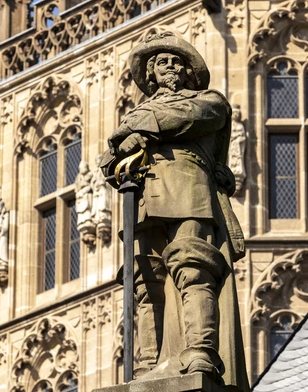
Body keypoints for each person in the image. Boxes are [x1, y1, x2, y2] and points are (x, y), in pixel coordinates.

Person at [101, 33, 249, 391]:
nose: (168, 68)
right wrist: (121, 148)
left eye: (174, 62)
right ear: (151, 73)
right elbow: (108, 161)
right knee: (145, 280)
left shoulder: (207, 101)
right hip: (141, 199)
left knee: (192, 265)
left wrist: (134, 129)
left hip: (188, 188)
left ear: (186, 71)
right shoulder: (136, 117)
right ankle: (152, 362)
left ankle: (200, 350)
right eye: (160, 63)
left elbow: (190, 116)